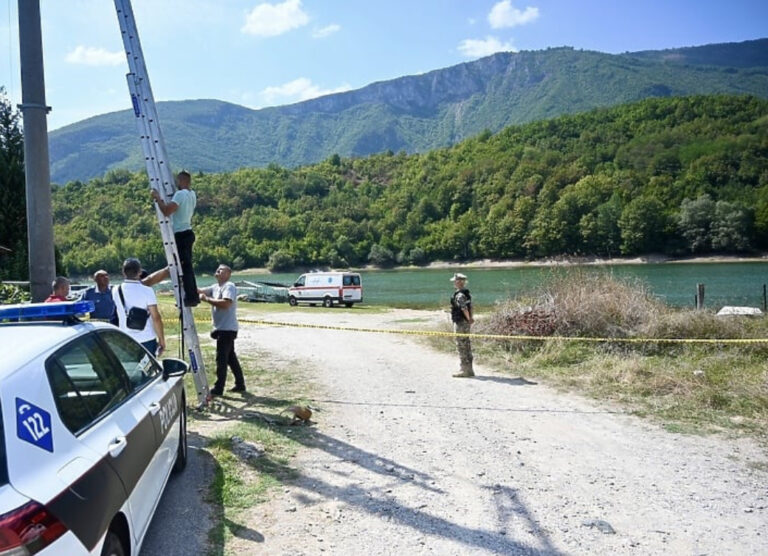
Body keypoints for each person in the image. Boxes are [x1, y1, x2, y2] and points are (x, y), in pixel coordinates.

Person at [151, 170, 199, 307]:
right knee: (187, 266)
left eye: (178, 181)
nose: (176, 184)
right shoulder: (192, 194)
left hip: (181, 234)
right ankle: (191, 295)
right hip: (188, 231)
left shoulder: (180, 194)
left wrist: (157, 198)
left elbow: (166, 211)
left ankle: (191, 297)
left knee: (185, 266)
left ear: (183, 181)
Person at [199, 264, 245, 395]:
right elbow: (199, 291)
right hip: (222, 328)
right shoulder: (215, 287)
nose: (217, 271)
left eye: (221, 270)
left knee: (222, 359)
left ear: (228, 274)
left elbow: (226, 303)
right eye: (217, 269)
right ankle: (240, 384)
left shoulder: (228, 286)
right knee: (230, 358)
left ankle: (218, 388)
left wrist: (206, 299)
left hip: (227, 329)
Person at [112, 258, 166, 356]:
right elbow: (156, 318)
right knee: (149, 369)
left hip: (126, 337)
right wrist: (161, 340)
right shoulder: (148, 291)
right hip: (147, 337)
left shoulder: (115, 290)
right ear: (140, 272)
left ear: (123, 272)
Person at [450, 272, 475, 377]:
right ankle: (469, 369)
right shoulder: (466, 293)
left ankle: (464, 370)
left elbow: (464, 308)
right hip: (466, 323)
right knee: (467, 344)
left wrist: (469, 318)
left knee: (461, 345)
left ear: (458, 282)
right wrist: (470, 318)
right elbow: (471, 307)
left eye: (455, 281)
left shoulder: (459, 295)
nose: (454, 283)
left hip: (460, 322)